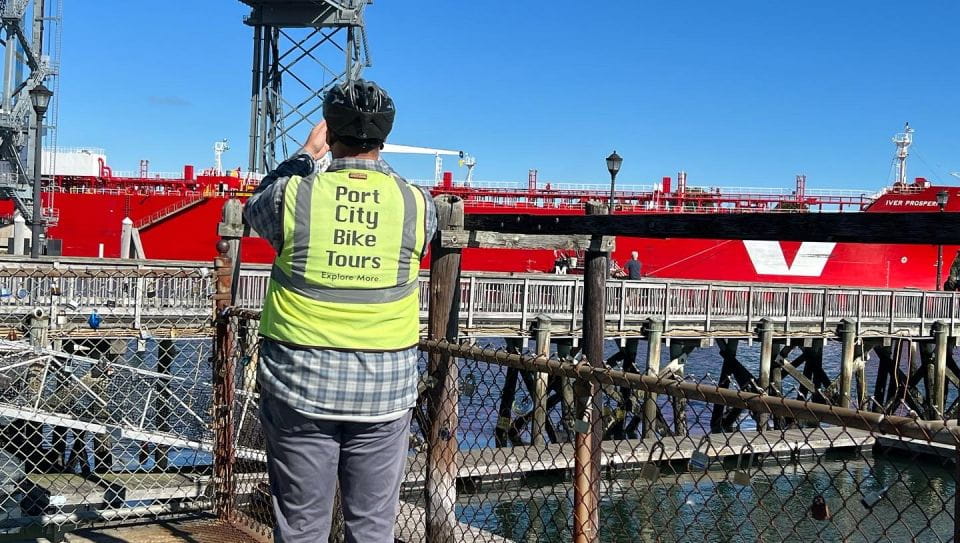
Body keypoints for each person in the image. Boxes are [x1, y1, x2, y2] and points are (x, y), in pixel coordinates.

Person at [243, 79, 437, 543]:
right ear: (385, 136)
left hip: (300, 383)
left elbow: (256, 206)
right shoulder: (417, 203)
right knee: (372, 526)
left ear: (329, 131)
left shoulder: (292, 196)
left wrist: (306, 156)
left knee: (301, 525)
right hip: (384, 389)